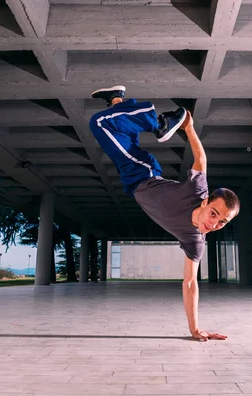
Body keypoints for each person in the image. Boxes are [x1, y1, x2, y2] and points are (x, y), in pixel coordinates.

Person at [89, 85, 240, 341]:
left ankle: (116, 98)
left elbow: (190, 284)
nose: (214, 223)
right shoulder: (197, 191)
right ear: (205, 203)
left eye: (222, 222)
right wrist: (188, 127)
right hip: (143, 173)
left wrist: (194, 329)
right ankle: (161, 122)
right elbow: (201, 161)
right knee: (99, 123)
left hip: (131, 182)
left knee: (119, 129)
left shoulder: (195, 241)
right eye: (214, 213)